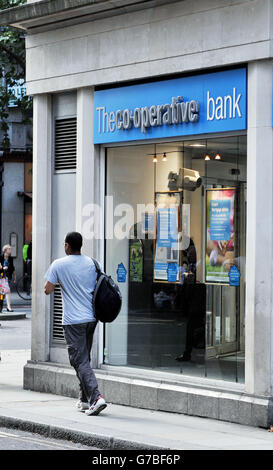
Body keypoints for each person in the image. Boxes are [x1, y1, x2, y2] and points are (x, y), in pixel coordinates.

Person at [44, 231, 107, 416]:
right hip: (91, 319)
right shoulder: (93, 263)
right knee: (83, 360)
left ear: (67, 246)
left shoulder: (59, 264)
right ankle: (84, 400)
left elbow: (47, 290)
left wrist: (62, 282)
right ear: (81, 245)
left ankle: (96, 397)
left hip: (73, 321)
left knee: (78, 360)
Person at [0, 244, 16, 312]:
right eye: (9, 249)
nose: (10, 250)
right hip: (1, 276)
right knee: (2, 293)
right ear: (5, 250)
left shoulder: (10, 258)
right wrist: (3, 268)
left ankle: (8, 307)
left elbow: (12, 268)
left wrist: (14, 277)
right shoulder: (1, 257)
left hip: (8, 277)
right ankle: (1, 307)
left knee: (7, 291)